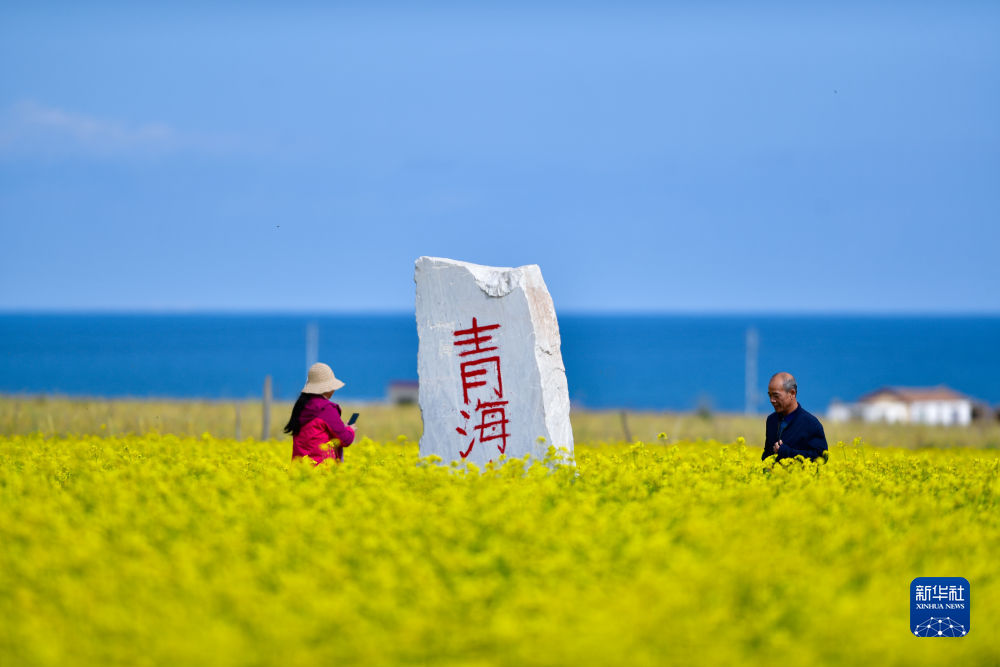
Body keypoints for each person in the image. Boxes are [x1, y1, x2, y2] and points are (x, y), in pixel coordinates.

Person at [285, 362, 356, 465]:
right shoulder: (326, 409)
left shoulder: (301, 406)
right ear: (327, 388)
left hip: (300, 470)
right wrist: (350, 429)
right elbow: (346, 439)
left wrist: (342, 428)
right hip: (322, 470)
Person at [761, 371, 828, 461]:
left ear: (792, 393)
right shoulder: (771, 420)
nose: (772, 400)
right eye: (770, 395)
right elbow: (767, 453)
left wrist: (786, 452)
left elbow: (821, 457)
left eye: (776, 396)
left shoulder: (811, 424)